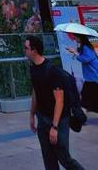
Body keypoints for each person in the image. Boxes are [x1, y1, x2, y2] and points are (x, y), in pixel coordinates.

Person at [25, 34, 86, 170]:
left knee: (64, 158)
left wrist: (55, 127)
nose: (25, 50)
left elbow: (60, 100)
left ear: (34, 50)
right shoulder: (33, 68)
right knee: (49, 160)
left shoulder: (52, 71)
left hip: (59, 120)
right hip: (42, 118)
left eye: (26, 48)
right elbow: (35, 92)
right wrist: (31, 115)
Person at [66, 34, 98, 113]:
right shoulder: (85, 46)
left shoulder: (85, 47)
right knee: (88, 98)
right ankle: (81, 117)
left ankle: (80, 118)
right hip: (92, 77)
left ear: (80, 37)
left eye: (76, 37)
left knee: (85, 98)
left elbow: (86, 59)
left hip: (93, 77)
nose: (74, 38)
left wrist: (74, 52)